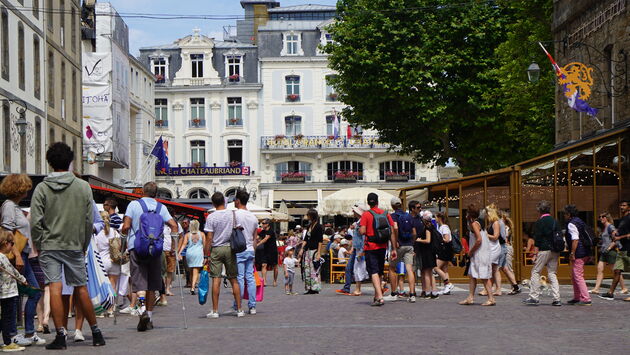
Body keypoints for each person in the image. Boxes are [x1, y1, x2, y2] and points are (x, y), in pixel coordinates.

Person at [29, 142, 105, 349]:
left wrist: (39, 242)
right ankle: (96, 333)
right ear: (70, 161)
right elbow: (89, 220)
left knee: (55, 287)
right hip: (74, 244)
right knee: (80, 288)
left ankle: (61, 335)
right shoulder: (83, 187)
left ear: (50, 162)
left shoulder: (42, 188)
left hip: (50, 245)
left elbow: (35, 221)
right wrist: (83, 242)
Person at [121, 181, 178, 331]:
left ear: (141, 192)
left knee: (139, 283)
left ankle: (141, 311)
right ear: (156, 194)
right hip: (156, 249)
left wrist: (123, 237)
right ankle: (150, 317)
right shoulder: (161, 207)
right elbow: (174, 225)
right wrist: (173, 242)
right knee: (152, 285)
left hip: (137, 247)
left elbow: (126, 226)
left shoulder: (134, 205)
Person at [0, 174, 46, 346]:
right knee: (23, 293)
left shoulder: (15, 207)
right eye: (26, 187)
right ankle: (17, 334)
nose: (28, 190)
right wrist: (18, 255)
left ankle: (26, 332)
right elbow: (6, 233)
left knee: (25, 293)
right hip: (17, 256)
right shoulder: (9, 207)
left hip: (23, 255)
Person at [203, 192, 243, 318]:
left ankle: (215, 311)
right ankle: (240, 309)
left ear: (213, 203)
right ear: (224, 201)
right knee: (233, 278)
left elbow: (209, 237)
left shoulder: (211, 217)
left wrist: (206, 254)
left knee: (216, 278)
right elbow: (238, 228)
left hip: (216, 248)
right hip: (229, 248)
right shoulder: (232, 214)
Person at [359, 192, 397, 307]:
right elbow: (392, 231)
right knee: (379, 272)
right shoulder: (386, 214)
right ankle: (376, 296)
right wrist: (394, 248)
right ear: (377, 201)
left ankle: (380, 297)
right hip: (383, 246)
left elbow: (363, 231)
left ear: (368, 202)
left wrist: (359, 228)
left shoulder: (366, 214)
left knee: (373, 272)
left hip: (370, 246)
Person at [522, 200, 561, 306]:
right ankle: (557, 298)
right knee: (552, 273)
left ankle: (534, 297)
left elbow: (537, 240)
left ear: (540, 210)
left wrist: (535, 254)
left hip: (544, 249)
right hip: (555, 250)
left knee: (535, 272)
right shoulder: (554, 221)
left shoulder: (540, 222)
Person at [458, 204, 494, 306]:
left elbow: (479, 240)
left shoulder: (474, 224)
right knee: (472, 275)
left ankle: (491, 298)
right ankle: (470, 297)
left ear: (469, 213)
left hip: (479, 253)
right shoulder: (478, 222)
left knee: (484, 276)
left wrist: (470, 251)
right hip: (481, 252)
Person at [0, 230, 27, 352]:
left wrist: (22, 279)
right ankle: (7, 343)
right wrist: (22, 279)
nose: (12, 247)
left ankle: (6, 341)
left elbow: (13, 272)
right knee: (8, 318)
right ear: (6, 243)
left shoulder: (3, 258)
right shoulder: (2, 258)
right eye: (12, 243)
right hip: (7, 294)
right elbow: (13, 272)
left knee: (5, 318)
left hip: (6, 293)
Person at [232, 189, 259, 314]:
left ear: (238, 201)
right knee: (250, 278)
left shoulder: (235, 215)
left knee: (239, 278)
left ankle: (238, 305)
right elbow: (255, 238)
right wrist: (253, 252)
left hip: (239, 249)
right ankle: (252, 306)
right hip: (250, 249)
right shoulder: (253, 217)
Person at [385, 197, 416, 302]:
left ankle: (394, 293)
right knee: (409, 269)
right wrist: (412, 242)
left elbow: (395, 227)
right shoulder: (408, 215)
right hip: (409, 245)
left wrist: (396, 241)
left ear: (393, 206)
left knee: (392, 268)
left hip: (399, 245)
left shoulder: (393, 216)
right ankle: (412, 294)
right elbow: (414, 232)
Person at [601, 200, 630, 301]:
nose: (622, 207)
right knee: (617, 271)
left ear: (629, 207)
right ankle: (610, 293)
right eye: (621, 205)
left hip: (628, 250)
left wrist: (619, 238)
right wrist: (616, 232)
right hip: (622, 250)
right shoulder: (623, 219)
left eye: (624, 205)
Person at [564, 204, 592, 306]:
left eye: (565, 214)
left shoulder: (571, 224)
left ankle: (586, 298)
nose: (564, 216)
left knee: (578, 275)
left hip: (579, 253)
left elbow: (575, 239)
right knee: (575, 275)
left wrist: (572, 252)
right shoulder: (579, 221)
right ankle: (577, 297)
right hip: (585, 251)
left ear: (569, 214)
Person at [93, 211, 121, 312]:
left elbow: (95, 247)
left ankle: (102, 307)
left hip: (101, 261)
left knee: (103, 286)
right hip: (113, 261)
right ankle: (111, 308)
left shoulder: (98, 232)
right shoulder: (114, 232)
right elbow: (119, 246)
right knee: (113, 285)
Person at [595, 212, 627, 298]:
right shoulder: (604, 228)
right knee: (600, 269)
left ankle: (624, 288)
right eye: (600, 216)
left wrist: (609, 248)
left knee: (616, 271)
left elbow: (616, 239)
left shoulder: (610, 227)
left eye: (602, 217)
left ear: (607, 218)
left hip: (611, 252)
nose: (600, 218)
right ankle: (596, 288)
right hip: (604, 252)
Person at [297, 209, 323, 294]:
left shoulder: (318, 226)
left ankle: (315, 287)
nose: (307, 216)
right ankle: (309, 287)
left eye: (308, 215)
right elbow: (305, 239)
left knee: (314, 269)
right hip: (307, 250)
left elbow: (320, 241)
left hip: (314, 250)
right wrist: (301, 249)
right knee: (307, 269)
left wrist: (319, 252)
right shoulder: (309, 226)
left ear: (311, 216)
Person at [178, 220, 204, 295]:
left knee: (191, 270)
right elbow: (204, 245)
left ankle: (192, 284)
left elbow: (184, 244)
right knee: (196, 270)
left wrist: (179, 252)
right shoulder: (202, 234)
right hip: (198, 253)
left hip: (189, 253)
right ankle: (193, 287)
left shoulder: (187, 235)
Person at [499, 211, 521, 295]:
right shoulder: (505, 227)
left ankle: (514, 287)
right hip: (507, 247)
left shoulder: (506, 227)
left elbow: (505, 239)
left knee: (508, 268)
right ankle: (513, 286)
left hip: (507, 248)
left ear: (503, 218)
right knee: (503, 268)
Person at [417, 213, 439, 299]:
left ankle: (427, 291)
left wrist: (420, 240)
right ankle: (434, 291)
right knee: (431, 272)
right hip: (431, 252)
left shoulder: (427, 229)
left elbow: (428, 240)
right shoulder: (432, 227)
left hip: (427, 252)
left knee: (426, 272)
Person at [435, 212, 454, 295]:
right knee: (444, 269)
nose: (435, 219)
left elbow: (447, 239)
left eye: (435, 217)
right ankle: (447, 288)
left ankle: (448, 283)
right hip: (447, 250)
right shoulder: (443, 227)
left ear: (439, 218)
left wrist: (439, 239)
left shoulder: (444, 227)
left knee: (436, 267)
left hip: (444, 249)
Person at [258, 219, 278, 287]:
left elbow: (265, 239)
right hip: (265, 250)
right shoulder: (263, 231)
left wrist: (257, 245)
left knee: (275, 266)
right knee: (264, 265)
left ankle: (275, 280)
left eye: (263, 223)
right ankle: (264, 281)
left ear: (267, 224)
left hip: (272, 251)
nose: (262, 224)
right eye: (262, 223)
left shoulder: (271, 231)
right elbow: (258, 237)